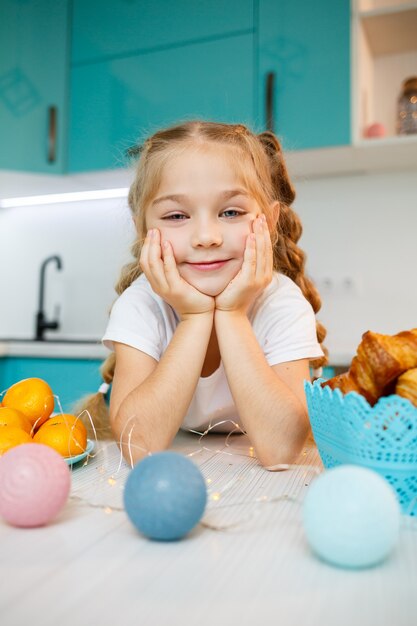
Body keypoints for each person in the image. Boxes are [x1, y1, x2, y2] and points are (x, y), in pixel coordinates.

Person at [83, 120, 327, 468]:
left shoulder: (280, 302)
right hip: (180, 461)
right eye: (177, 215)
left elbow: (280, 451)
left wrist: (231, 314)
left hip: (253, 472)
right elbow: (138, 448)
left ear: (269, 223)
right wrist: (196, 317)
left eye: (230, 212)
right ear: (144, 229)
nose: (206, 236)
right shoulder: (141, 304)